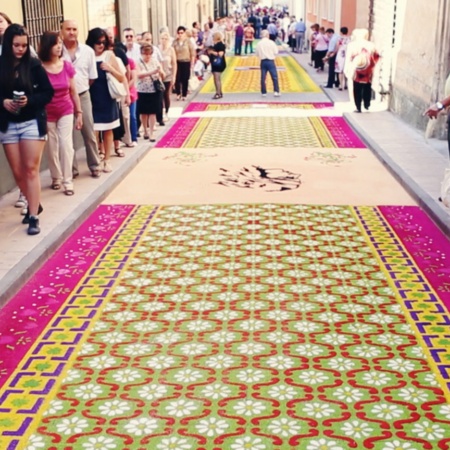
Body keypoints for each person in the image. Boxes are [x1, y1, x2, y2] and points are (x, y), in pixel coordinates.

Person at [0, 24, 54, 235]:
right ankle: (34, 201)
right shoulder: (1, 65)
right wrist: (3, 102)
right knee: (18, 172)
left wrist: (28, 100)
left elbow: (48, 93)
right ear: (8, 44)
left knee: (31, 169)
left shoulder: (33, 65)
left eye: (24, 45)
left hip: (32, 121)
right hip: (8, 123)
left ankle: (33, 216)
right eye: (16, 45)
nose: (21, 49)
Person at [39, 31, 82, 196]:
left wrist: (79, 112)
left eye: (59, 43)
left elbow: (73, 90)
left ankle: (68, 181)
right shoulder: (40, 67)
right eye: (55, 43)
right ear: (47, 46)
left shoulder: (66, 65)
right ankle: (56, 177)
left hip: (65, 108)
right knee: (52, 146)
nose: (59, 47)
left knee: (66, 145)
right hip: (47, 110)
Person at [61, 19, 102, 178]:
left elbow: (92, 77)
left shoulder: (88, 51)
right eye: (68, 29)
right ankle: (72, 170)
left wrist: (79, 88)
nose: (71, 32)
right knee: (66, 136)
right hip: (63, 97)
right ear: (62, 31)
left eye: (74, 29)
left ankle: (94, 165)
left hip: (83, 95)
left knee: (89, 132)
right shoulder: (57, 51)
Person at [86, 27, 124, 172]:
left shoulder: (109, 55)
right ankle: (96, 158)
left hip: (107, 98)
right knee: (93, 131)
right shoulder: (87, 55)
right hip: (92, 98)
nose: (101, 45)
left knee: (108, 130)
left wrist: (110, 69)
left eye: (103, 42)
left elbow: (121, 77)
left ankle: (107, 159)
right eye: (97, 42)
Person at [344, 28, 380, 113]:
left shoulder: (352, 45)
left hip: (356, 69)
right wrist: (374, 68)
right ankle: (367, 104)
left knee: (356, 88)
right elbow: (376, 57)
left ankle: (358, 106)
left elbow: (348, 58)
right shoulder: (371, 45)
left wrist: (346, 69)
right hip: (368, 69)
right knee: (367, 86)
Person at [136, 44, 165, 142]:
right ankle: (145, 130)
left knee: (152, 112)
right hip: (142, 90)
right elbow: (139, 75)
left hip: (154, 90)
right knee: (143, 112)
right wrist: (152, 72)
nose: (147, 56)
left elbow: (162, 72)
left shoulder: (155, 61)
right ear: (141, 53)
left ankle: (152, 133)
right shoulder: (138, 62)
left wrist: (161, 73)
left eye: (149, 54)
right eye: (145, 54)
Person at [172, 26, 195, 101]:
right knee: (177, 78)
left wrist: (192, 63)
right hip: (177, 62)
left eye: (182, 33)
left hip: (186, 61)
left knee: (185, 79)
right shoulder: (175, 42)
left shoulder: (188, 41)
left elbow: (192, 53)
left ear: (184, 33)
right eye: (179, 33)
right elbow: (172, 51)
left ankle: (184, 94)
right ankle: (178, 93)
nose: (180, 34)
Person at [255, 29, 280, 97]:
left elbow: (257, 53)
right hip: (270, 61)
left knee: (263, 77)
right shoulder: (271, 43)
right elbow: (276, 52)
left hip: (263, 61)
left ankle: (263, 92)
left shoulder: (259, 43)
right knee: (274, 77)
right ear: (267, 35)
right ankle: (276, 91)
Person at [158, 31, 177, 122]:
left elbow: (174, 64)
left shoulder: (171, 49)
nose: (164, 41)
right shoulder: (157, 49)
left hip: (168, 75)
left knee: (166, 94)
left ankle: (167, 112)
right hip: (159, 76)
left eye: (166, 39)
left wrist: (174, 76)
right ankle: (160, 113)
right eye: (162, 38)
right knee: (159, 95)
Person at [207, 32, 226, 99]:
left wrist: (212, 52)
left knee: (217, 78)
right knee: (216, 79)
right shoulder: (216, 44)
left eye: (213, 37)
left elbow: (220, 54)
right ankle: (219, 92)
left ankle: (218, 93)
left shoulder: (220, 44)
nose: (212, 38)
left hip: (218, 64)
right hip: (215, 64)